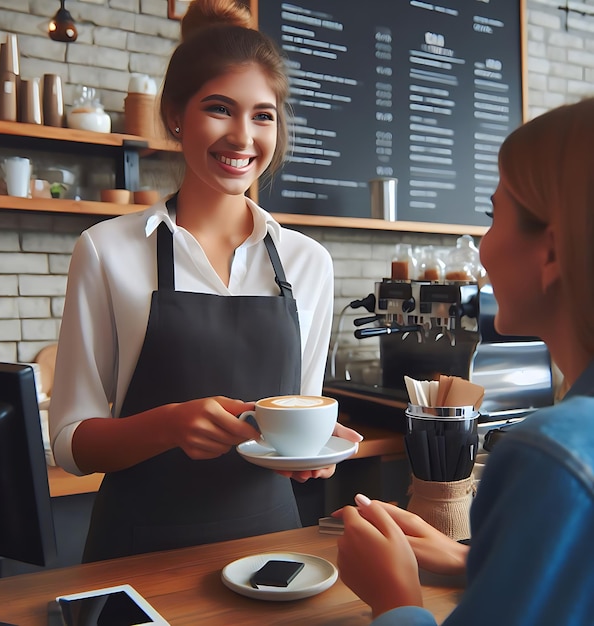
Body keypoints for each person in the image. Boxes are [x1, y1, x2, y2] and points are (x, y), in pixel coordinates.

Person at [49, 0, 361, 563]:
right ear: (175, 115)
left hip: (274, 549)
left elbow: (304, 412)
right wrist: (169, 425)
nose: (242, 137)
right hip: (140, 550)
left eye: (263, 115)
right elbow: (73, 443)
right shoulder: (106, 250)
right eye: (220, 109)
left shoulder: (308, 262)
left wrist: (316, 451)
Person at [334, 97, 594, 625]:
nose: (482, 244)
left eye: (494, 216)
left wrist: (395, 600)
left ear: (550, 251)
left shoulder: (550, 456)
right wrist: (471, 560)